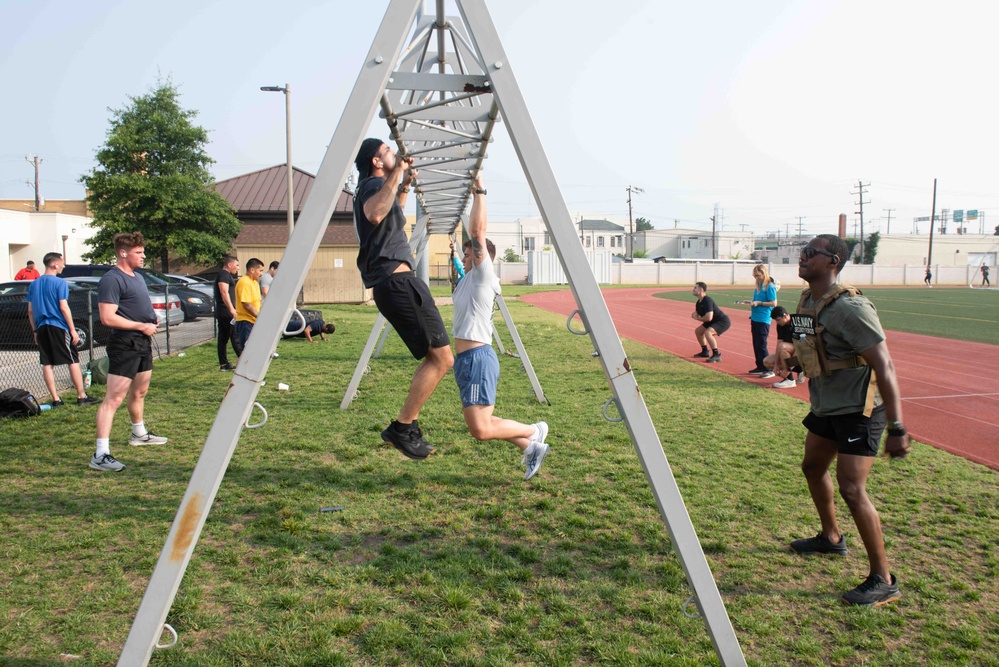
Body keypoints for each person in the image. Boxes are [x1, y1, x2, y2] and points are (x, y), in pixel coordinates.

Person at [788, 233, 910, 607]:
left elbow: (885, 365)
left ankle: (883, 579)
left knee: (853, 490)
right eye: (803, 251)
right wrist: (788, 357)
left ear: (834, 262)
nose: (803, 256)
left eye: (812, 253)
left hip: (861, 409)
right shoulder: (808, 300)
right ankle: (831, 538)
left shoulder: (851, 308)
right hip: (827, 404)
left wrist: (898, 427)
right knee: (812, 466)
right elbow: (808, 348)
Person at [354, 137, 454, 460]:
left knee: (439, 358)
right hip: (397, 282)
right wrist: (398, 171)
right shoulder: (371, 186)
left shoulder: (376, 186)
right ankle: (402, 427)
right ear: (376, 161)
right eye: (388, 152)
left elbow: (389, 212)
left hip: (395, 283)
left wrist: (404, 185)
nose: (394, 153)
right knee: (442, 358)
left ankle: (404, 426)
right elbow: (375, 212)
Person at [452, 177, 550, 480]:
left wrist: (478, 193)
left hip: (478, 358)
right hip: (467, 361)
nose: (466, 257)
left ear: (482, 259)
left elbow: (478, 232)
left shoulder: (482, 276)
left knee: (481, 429)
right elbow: (460, 258)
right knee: (485, 422)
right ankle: (530, 447)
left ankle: (535, 431)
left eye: (469, 254)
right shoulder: (467, 278)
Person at [92, 232, 168, 472]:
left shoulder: (136, 276)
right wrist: (140, 325)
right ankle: (100, 454)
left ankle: (139, 434)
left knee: (140, 391)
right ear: (123, 253)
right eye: (139, 252)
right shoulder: (111, 279)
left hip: (142, 342)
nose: (143, 256)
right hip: (125, 344)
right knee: (114, 398)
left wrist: (149, 319)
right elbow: (107, 317)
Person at [25, 252, 100, 408]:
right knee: (72, 359)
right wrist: (72, 330)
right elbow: (64, 307)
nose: (64, 266)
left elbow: (30, 311)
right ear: (54, 264)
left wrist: (35, 331)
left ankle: (56, 399)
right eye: (62, 263)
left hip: (41, 328)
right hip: (58, 326)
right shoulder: (60, 283)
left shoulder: (34, 284)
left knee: (47, 363)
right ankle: (81, 395)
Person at [746, 264, 778, 378]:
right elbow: (757, 299)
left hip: (764, 318)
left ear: (764, 274)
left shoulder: (769, 286)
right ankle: (760, 366)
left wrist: (759, 303)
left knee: (762, 344)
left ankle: (768, 368)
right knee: (756, 343)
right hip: (755, 317)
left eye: (758, 275)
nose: (757, 278)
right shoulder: (758, 285)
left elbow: (774, 303)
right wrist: (751, 302)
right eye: (755, 276)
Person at [763, 305, 804, 389]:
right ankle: (800, 371)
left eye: (778, 320)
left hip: (802, 352)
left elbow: (800, 349)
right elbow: (779, 344)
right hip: (789, 352)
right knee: (767, 362)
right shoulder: (780, 326)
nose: (777, 323)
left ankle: (790, 379)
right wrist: (776, 365)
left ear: (785, 316)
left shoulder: (798, 322)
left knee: (783, 348)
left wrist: (787, 370)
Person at [690, 282, 730, 363]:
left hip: (722, 321)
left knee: (708, 332)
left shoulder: (707, 300)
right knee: (698, 331)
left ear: (701, 290)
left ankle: (716, 355)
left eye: (695, 288)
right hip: (712, 321)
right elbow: (697, 314)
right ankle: (705, 351)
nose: (693, 289)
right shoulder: (699, 302)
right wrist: (695, 315)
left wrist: (697, 318)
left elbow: (708, 317)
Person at [214, 256, 241, 371]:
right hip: (225, 311)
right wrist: (231, 308)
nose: (238, 268)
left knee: (223, 338)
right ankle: (243, 359)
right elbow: (224, 292)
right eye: (237, 265)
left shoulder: (225, 275)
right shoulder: (223, 275)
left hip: (223, 311)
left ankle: (224, 364)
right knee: (234, 335)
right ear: (229, 265)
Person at [234, 258, 264, 351]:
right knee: (247, 352)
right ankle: (242, 366)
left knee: (254, 350)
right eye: (260, 270)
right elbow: (247, 304)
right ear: (252, 270)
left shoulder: (255, 283)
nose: (261, 274)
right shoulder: (244, 282)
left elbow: (258, 302)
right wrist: (259, 317)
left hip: (253, 321)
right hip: (245, 322)